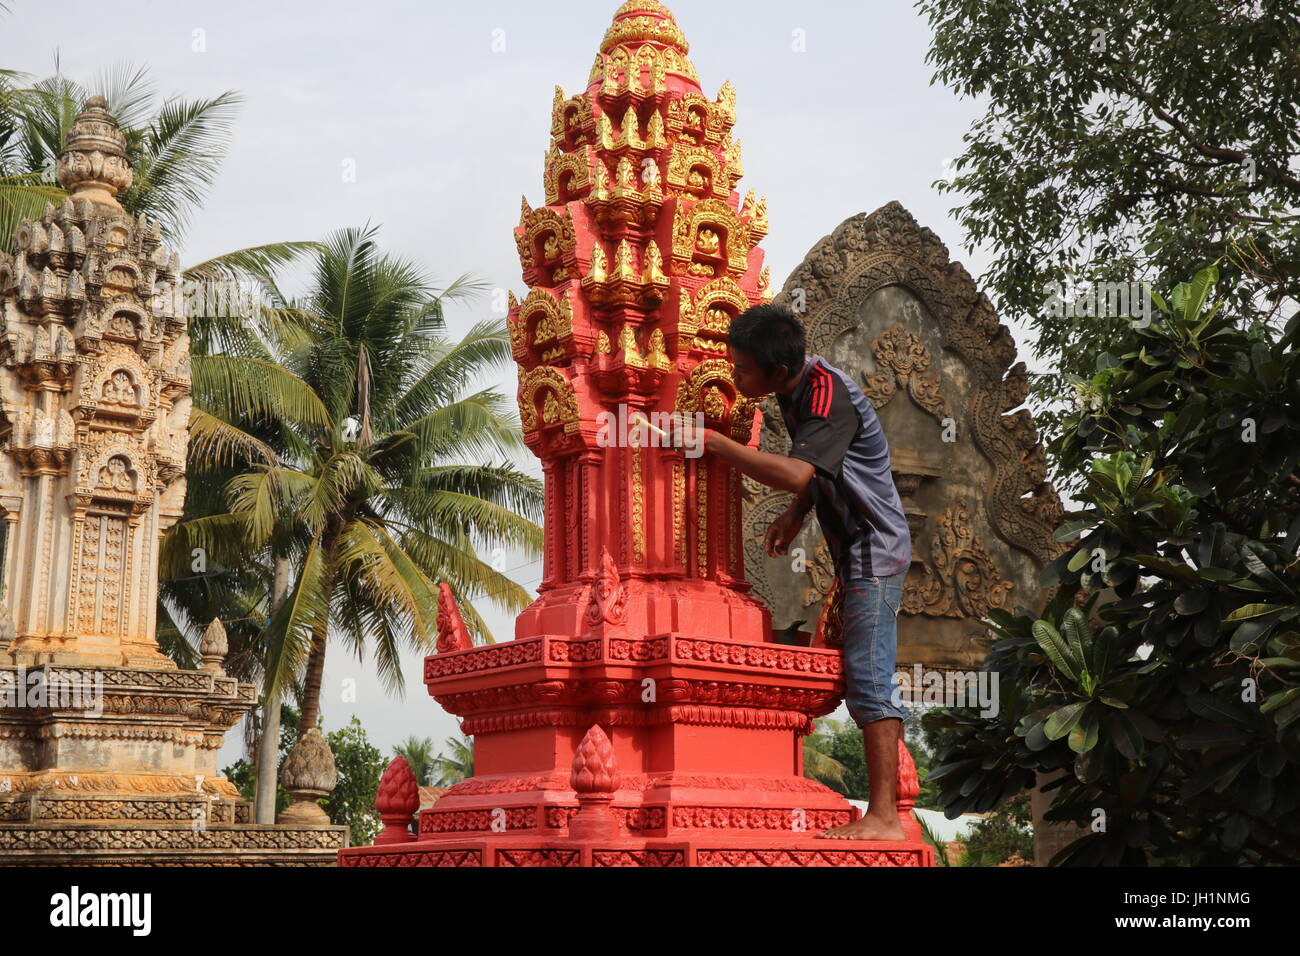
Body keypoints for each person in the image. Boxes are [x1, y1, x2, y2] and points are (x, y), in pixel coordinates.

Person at [672, 303, 912, 841]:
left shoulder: (827, 395)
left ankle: (884, 818)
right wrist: (796, 514)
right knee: (860, 671)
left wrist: (714, 444)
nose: (735, 378)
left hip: (874, 548)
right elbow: (822, 472)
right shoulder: (793, 389)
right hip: (852, 546)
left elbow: (799, 469)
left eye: (743, 371)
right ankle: (883, 812)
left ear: (777, 371)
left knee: (869, 678)